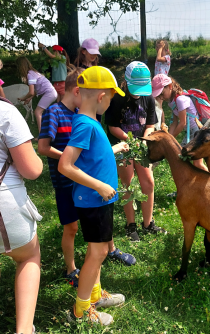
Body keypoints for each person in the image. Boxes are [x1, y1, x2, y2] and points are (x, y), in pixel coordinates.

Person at [58, 66, 129, 325]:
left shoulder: (90, 123)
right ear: (101, 97)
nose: (111, 103)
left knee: (95, 251)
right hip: (94, 200)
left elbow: (91, 158)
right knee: (97, 254)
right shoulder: (86, 125)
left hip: (100, 200)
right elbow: (65, 165)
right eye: (111, 98)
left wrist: (113, 149)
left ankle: (96, 296)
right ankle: (80, 311)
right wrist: (99, 186)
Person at [105, 61, 166, 242]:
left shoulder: (147, 97)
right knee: (128, 183)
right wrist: (129, 140)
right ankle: (131, 225)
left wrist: (144, 140)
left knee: (148, 181)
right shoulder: (116, 99)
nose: (139, 92)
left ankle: (148, 223)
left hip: (141, 145)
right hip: (122, 145)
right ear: (126, 80)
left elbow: (150, 125)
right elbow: (112, 127)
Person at [0, 96, 43, 334]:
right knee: (28, 256)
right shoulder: (5, 112)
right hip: (5, 208)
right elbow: (33, 170)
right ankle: (24, 329)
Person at [151, 74, 208, 171]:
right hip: (191, 132)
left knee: (190, 160)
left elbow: (182, 123)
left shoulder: (181, 99)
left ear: (169, 86)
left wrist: (170, 139)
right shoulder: (172, 102)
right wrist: (168, 137)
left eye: (162, 93)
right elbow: (174, 122)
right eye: (159, 95)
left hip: (197, 132)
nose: (161, 97)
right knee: (194, 162)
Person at [16, 57, 57, 137]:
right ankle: (45, 133)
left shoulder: (30, 75)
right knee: (40, 112)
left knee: (37, 112)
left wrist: (24, 98)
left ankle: (41, 136)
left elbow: (31, 92)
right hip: (51, 93)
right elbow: (35, 91)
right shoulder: (33, 72)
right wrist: (29, 98)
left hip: (49, 93)